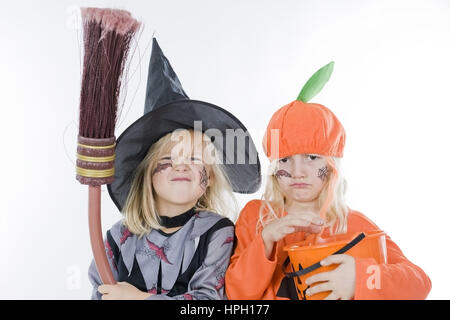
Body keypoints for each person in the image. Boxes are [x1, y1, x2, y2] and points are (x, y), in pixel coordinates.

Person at [225, 62, 432, 300]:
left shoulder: (353, 223)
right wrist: (266, 240)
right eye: (284, 160)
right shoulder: (256, 217)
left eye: (312, 157)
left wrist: (361, 279)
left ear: (331, 165)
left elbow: (418, 282)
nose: (297, 172)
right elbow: (235, 294)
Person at [88, 38, 261, 300]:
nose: (181, 165)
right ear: (146, 172)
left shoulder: (217, 233)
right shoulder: (119, 237)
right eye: (168, 157)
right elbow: (98, 292)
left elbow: (206, 302)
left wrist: (140, 299)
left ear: (210, 176)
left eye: (194, 158)